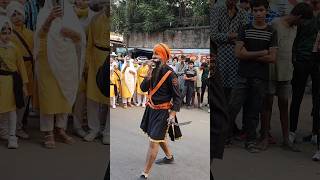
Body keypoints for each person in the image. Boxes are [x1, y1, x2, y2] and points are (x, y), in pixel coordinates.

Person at [259, 3, 314, 151]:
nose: (302, 24)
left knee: (284, 106)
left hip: (286, 72)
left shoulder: (295, 28)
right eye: (303, 20)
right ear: (299, 17)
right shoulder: (275, 24)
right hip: (271, 70)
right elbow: (266, 46)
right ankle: (264, 138)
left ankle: (286, 140)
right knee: (267, 105)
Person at [34, 0, 86, 148]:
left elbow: (80, 39)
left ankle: (60, 129)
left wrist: (72, 33)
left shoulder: (70, 13)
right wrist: (49, 19)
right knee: (48, 96)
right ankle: (48, 132)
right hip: (47, 59)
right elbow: (39, 36)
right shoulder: (44, 12)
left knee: (65, 95)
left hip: (67, 61)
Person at [229, 0, 278, 153]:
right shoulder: (244, 29)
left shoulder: (271, 31)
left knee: (253, 110)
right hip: (243, 75)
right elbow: (238, 53)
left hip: (259, 77)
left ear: (266, 11)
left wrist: (248, 55)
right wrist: (262, 52)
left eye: (261, 10)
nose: (258, 13)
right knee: (233, 106)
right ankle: (224, 136)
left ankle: (250, 140)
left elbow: (272, 58)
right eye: (255, 10)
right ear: (251, 12)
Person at [139, 43, 182, 180]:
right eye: (153, 54)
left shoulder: (171, 74)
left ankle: (144, 174)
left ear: (163, 57)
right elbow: (143, 88)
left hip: (163, 112)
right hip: (151, 109)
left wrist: (172, 114)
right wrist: (149, 74)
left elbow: (177, 97)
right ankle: (169, 157)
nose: (154, 57)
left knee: (153, 142)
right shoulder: (152, 70)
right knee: (158, 137)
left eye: (157, 54)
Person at [289, 0, 320, 146]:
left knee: (303, 98)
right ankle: (309, 132)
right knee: (307, 98)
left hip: (308, 62)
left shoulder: (304, 21)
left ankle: (297, 132)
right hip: (308, 62)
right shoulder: (310, 18)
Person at [7, 1, 35, 140]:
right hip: (14, 71)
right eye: (13, 15)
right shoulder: (8, 34)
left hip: (29, 70)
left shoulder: (31, 34)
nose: (17, 17)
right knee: (12, 101)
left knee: (24, 101)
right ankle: (9, 128)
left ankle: (19, 127)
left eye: (19, 14)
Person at [0, 16, 28, 148]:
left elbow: (21, 67)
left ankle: (12, 136)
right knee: (2, 110)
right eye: (3, 32)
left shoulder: (15, 48)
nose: (6, 36)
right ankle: (3, 132)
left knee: (11, 109)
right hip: (0, 82)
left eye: (9, 32)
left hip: (12, 83)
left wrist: (24, 85)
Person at [211, 0, 248, 100]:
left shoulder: (242, 13)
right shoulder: (217, 11)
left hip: (236, 57)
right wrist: (232, 35)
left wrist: (225, 37)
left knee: (233, 91)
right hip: (220, 55)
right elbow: (213, 35)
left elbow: (245, 35)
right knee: (220, 90)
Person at [84, 2, 109, 144]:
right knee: (92, 97)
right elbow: (89, 44)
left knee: (109, 96)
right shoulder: (95, 19)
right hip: (95, 59)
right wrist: (87, 63)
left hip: (108, 60)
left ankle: (107, 132)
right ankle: (93, 129)